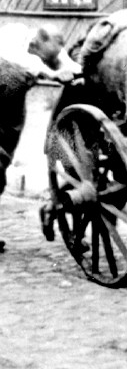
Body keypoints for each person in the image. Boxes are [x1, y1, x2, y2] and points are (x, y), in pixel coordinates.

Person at [0, 23, 81, 251]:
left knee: (2, 160)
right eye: (51, 53)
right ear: (39, 41)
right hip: (3, 85)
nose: (53, 58)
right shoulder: (12, 33)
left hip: (12, 100)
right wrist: (52, 73)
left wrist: (78, 73)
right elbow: (24, 62)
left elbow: (65, 62)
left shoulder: (48, 46)